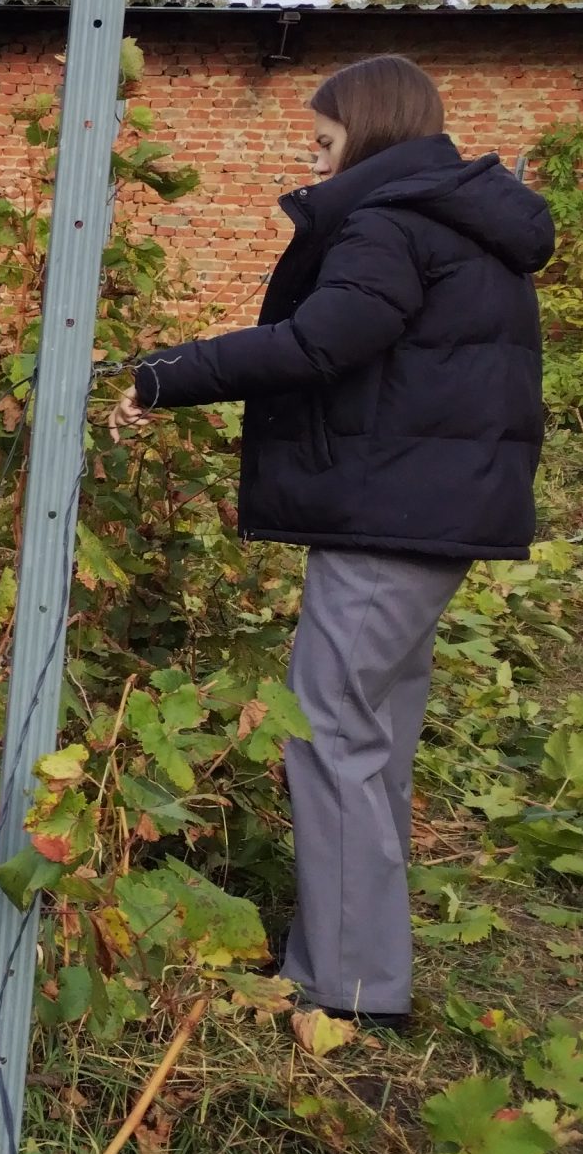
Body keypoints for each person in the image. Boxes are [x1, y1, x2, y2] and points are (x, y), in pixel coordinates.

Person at [107, 55, 551, 1026]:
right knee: (372, 736)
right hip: (432, 517)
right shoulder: (462, 222)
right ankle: (363, 965)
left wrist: (161, 376)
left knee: (331, 730)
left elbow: (317, 343)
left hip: (391, 521)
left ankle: (345, 991)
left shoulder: (395, 223)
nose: (312, 160)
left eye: (323, 140)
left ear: (371, 130)